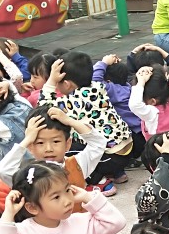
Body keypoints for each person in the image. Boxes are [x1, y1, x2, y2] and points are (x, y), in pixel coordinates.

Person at [0, 107, 105, 212]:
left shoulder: (77, 165)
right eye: (40, 143)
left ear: (68, 144)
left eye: (56, 141)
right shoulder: (28, 175)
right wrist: (27, 139)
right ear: (30, 147)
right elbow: (3, 171)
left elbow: (98, 143)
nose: (48, 149)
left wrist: (70, 121)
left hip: (79, 228)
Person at [40, 54, 134, 190]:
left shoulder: (71, 101)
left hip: (109, 157)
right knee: (88, 134)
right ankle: (117, 173)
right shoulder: (97, 86)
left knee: (65, 147)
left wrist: (51, 81)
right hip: (126, 150)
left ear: (66, 84)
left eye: (58, 83)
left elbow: (44, 107)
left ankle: (99, 181)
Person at [130, 66, 169, 139]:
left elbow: (135, 105)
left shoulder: (152, 113)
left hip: (165, 144)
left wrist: (141, 82)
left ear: (153, 101)